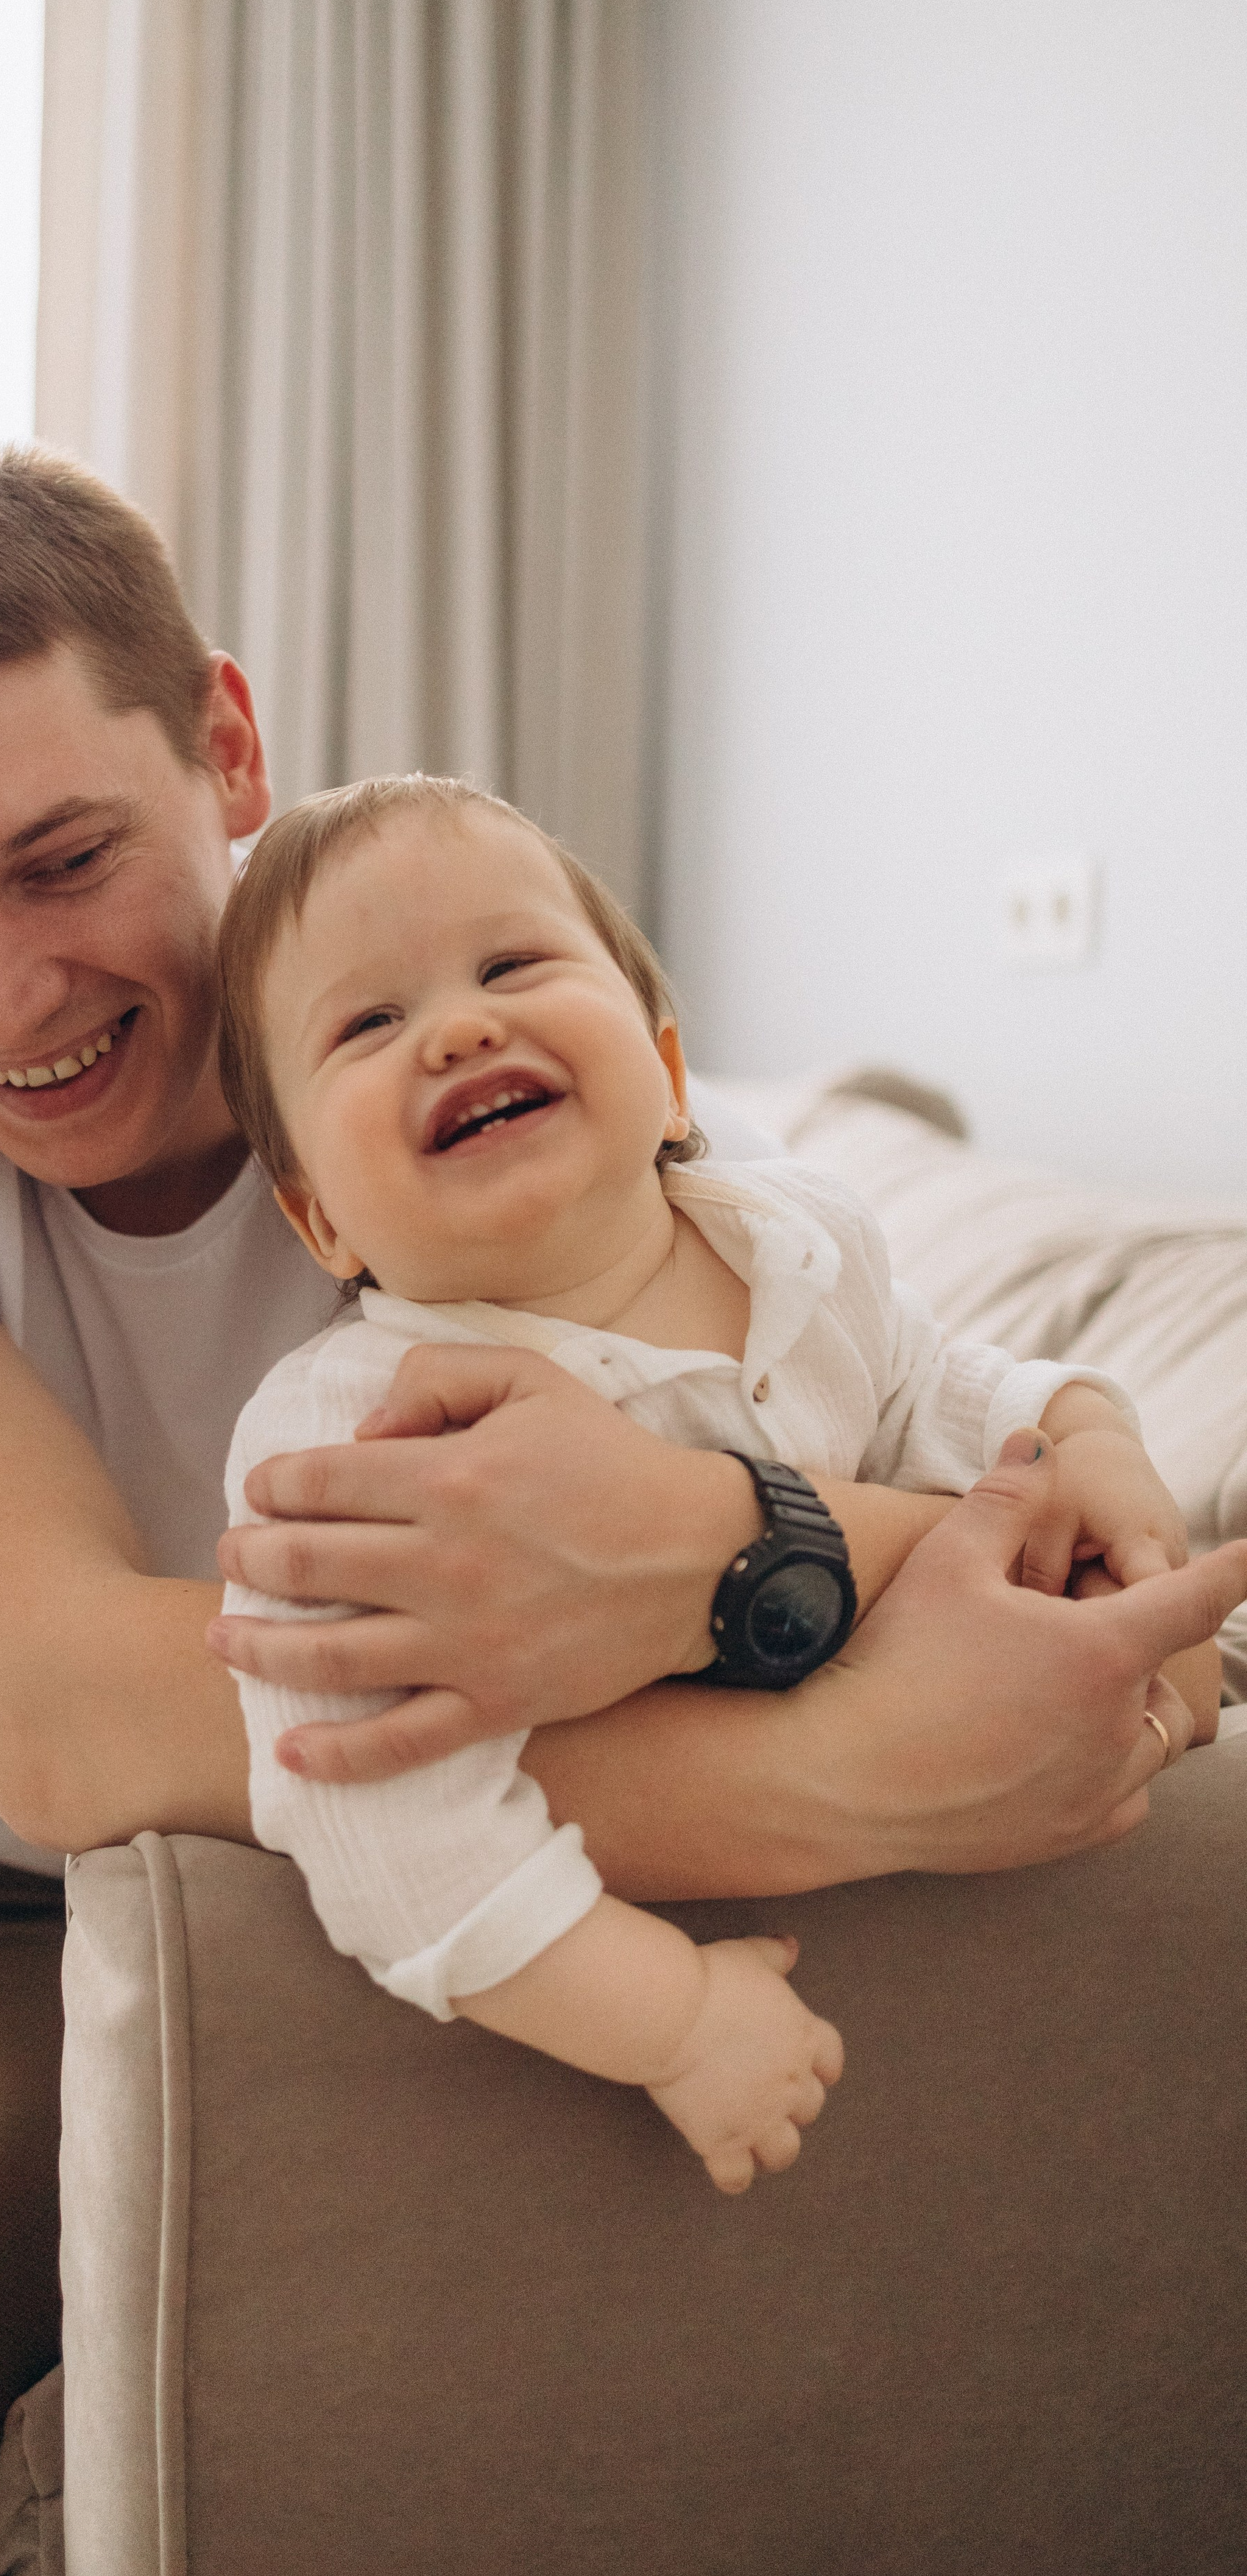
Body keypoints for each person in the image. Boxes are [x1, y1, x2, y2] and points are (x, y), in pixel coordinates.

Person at [0, 444, 1240, 2576]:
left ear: (225, 750)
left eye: (65, 860)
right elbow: (59, 1706)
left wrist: (740, 1522)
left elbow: (863, 1400)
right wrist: (824, 1751)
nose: (5, 997)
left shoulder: (470, 1056)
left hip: (154, 1882)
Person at [211, 773, 1220, 2192]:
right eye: (367, 1024)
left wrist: (1085, 1429)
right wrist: (666, 2017)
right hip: (684, 1975)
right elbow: (368, 1819)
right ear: (319, 1216)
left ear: (668, 1072)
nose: (459, 1028)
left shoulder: (802, 1242)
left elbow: (934, 1385)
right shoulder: (346, 1443)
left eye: (512, 964)